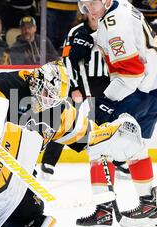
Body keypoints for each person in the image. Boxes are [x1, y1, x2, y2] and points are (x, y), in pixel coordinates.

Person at [0, 59, 145, 227]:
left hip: (12, 164)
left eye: (54, 98)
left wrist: (115, 133)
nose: (48, 101)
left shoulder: (59, 111)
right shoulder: (11, 83)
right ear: (36, 81)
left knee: (31, 216)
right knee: (16, 140)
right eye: (46, 94)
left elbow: (88, 133)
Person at [75, 0, 157, 227]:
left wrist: (105, 100)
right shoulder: (122, 5)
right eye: (84, 5)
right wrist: (93, 40)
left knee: (98, 143)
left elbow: (130, 73)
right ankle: (149, 209)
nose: (88, 10)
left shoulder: (114, 26)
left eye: (92, 3)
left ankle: (103, 213)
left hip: (138, 90)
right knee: (134, 146)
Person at [40, 13, 112, 180]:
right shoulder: (76, 32)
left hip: (105, 82)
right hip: (79, 82)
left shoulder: (111, 29)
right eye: (90, 9)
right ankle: (49, 161)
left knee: (107, 120)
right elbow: (67, 59)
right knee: (65, 120)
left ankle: (117, 161)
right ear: (85, 13)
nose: (95, 14)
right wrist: (74, 87)